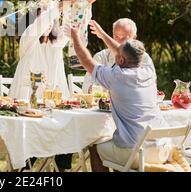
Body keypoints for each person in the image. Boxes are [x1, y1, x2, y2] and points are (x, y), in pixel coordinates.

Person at [66, 20, 170, 172]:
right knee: (118, 144)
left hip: (136, 153)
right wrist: (102, 35)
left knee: (95, 144)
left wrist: (75, 38)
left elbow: (86, 60)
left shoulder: (116, 76)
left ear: (121, 59)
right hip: (162, 150)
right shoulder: (148, 70)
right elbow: (124, 53)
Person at [8, 0, 72, 171]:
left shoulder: (54, 46)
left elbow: (70, 26)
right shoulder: (27, 42)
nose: (49, 23)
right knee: (35, 131)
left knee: (67, 126)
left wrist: (81, 4)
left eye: (51, 20)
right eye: (43, 19)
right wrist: (56, 6)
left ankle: (61, 171)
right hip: (26, 108)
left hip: (49, 108)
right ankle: (24, 169)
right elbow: (38, 26)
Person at [83, 18, 155, 94]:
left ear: (134, 38)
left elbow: (148, 88)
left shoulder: (144, 58)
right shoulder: (101, 57)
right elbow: (86, 87)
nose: (118, 42)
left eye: (124, 38)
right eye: (116, 37)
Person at [58, 0, 108, 69]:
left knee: (83, 38)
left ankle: (81, 57)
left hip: (84, 20)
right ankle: (73, 58)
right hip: (72, 20)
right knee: (73, 38)